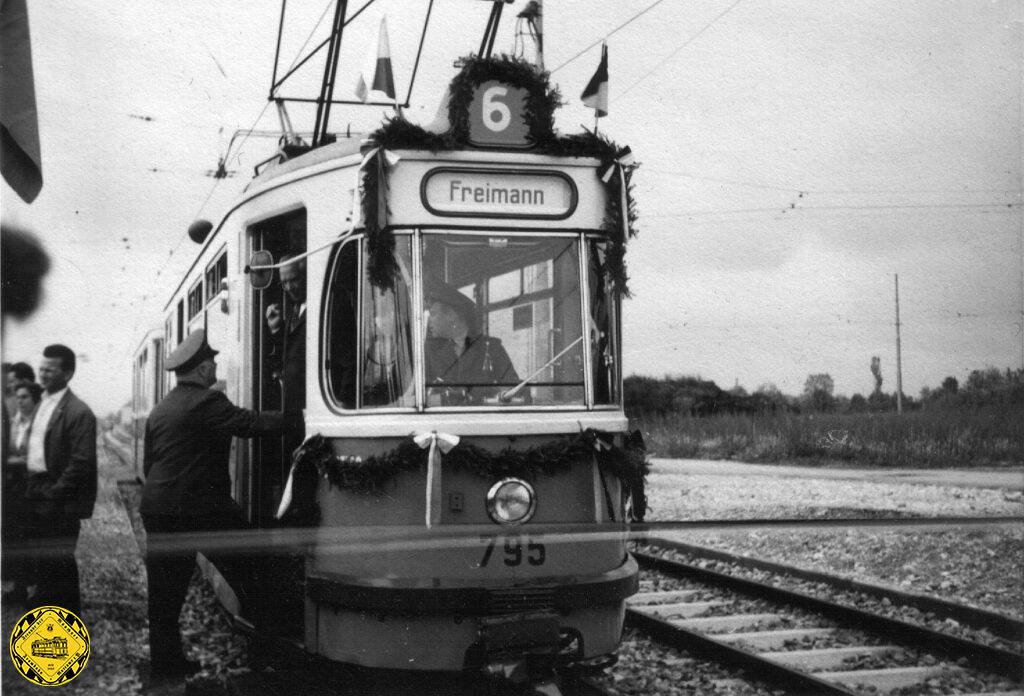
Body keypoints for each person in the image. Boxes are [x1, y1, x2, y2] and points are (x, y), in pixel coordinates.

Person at [141, 329, 283, 682]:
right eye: (213, 362)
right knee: (255, 568)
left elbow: (149, 465)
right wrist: (299, 419)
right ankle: (267, 656)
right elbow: (250, 424)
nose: (217, 366)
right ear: (203, 369)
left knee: (164, 595)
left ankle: (166, 667)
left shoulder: (161, 409)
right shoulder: (208, 402)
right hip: (202, 510)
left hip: (158, 510)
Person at [19, 344, 97, 617]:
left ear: (68, 373)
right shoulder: (44, 404)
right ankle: (47, 609)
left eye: (49, 370)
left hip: (59, 499)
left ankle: (67, 618)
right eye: (41, 369)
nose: (42, 375)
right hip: (38, 492)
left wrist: (54, 492)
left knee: (60, 562)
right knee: (44, 561)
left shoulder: (79, 412)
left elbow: (81, 463)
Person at [423, 284, 518, 405]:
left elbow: (513, 388)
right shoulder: (431, 352)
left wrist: (497, 395)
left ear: (452, 316)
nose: (429, 319)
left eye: (433, 313)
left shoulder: (492, 348)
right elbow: (419, 396)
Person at [2, 379, 41, 600]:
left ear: (35, 400)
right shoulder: (15, 423)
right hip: (15, 490)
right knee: (16, 540)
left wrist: (13, 460)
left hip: (33, 489)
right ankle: (18, 588)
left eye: (25, 397)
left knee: (31, 541)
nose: (20, 401)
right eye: (17, 397)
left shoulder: (40, 424)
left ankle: (34, 591)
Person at [265, 254, 306, 449]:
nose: (289, 288)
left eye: (294, 280)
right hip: (295, 412)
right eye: (284, 283)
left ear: (306, 273)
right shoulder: (294, 310)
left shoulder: (327, 304)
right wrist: (275, 330)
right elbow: (286, 357)